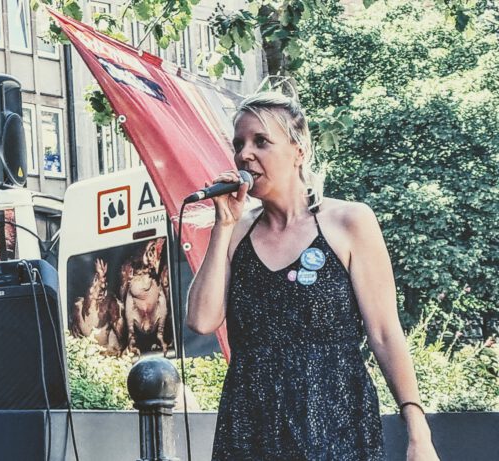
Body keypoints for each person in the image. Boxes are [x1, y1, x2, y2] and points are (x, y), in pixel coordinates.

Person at [186, 92, 440, 460]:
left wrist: (418, 432)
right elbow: (201, 320)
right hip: (250, 426)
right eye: (238, 144)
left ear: (299, 150)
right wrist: (223, 225)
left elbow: (385, 332)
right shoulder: (236, 232)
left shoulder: (349, 222)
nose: (244, 154)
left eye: (261, 141)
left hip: (335, 424)